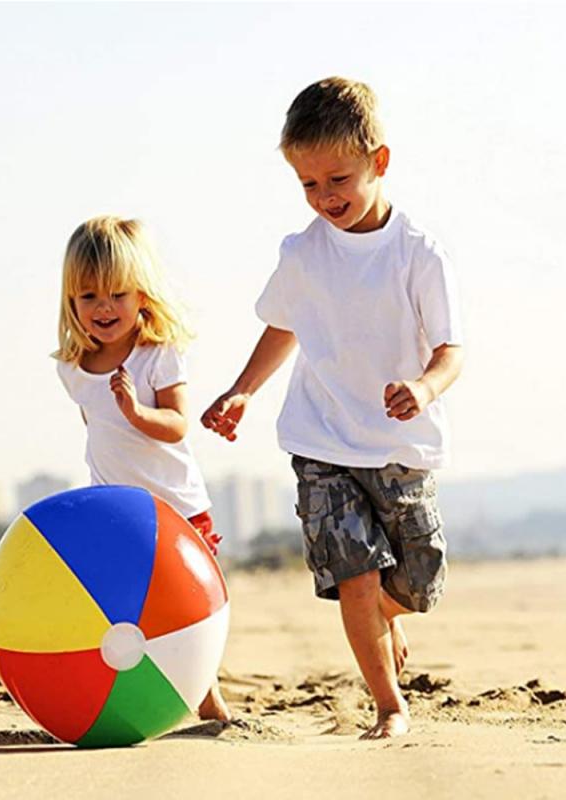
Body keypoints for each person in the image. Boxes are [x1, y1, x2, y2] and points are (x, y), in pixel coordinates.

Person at [201, 77, 463, 739]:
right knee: (354, 575)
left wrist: (425, 388)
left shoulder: (419, 255)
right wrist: (242, 389)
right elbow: (284, 325)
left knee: (420, 579)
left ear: (380, 160)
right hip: (322, 443)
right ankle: (389, 705)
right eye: (308, 185)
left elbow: (450, 350)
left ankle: (385, 616)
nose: (325, 198)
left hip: (402, 447)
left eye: (337, 179)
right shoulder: (303, 253)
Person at [54, 215, 230, 722]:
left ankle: (207, 694)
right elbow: (97, 434)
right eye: (89, 297)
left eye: (117, 294)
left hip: (177, 508)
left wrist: (136, 413)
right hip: (118, 514)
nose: (104, 308)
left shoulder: (157, 356)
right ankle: (127, 694)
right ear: (72, 303)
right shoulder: (72, 370)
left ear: (142, 297)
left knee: (191, 607)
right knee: (125, 610)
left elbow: (177, 424)